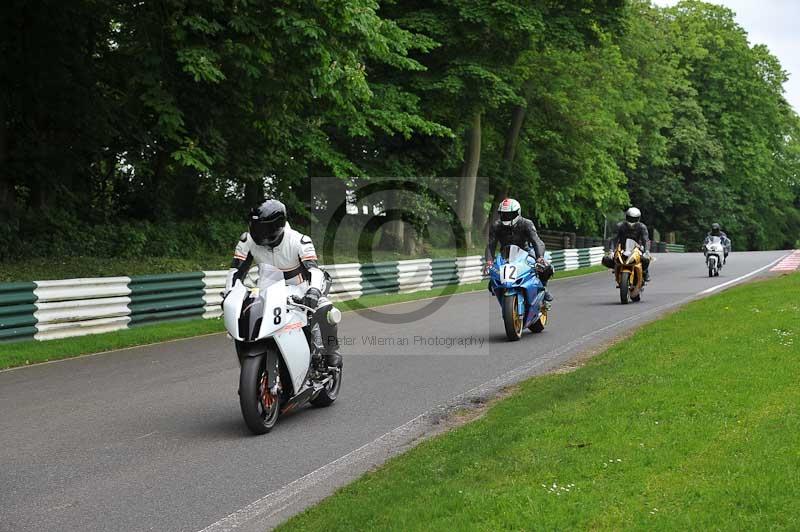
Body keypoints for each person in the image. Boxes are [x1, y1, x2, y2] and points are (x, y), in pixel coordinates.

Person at [224, 199, 342, 368]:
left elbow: (313, 270)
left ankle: (332, 351)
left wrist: (313, 292)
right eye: (255, 227)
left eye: (263, 228)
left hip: (301, 289)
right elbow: (236, 271)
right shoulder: (247, 241)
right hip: (267, 289)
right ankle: (251, 370)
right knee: (246, 318)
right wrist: (229, 293)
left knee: (326, 309)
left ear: (278, 225)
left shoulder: (300, 241)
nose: (258, 232)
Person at [484, 198, 554, 305]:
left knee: (546, 267)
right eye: (503, 214)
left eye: (510, 214)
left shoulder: (526, 224)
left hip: (525, 252)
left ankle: (543, 288)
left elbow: (537, 241)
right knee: (492, 283)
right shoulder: (496, 226)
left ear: (517, 213)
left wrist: (540, 257)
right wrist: (489, 261)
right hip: (505, 254)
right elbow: (491, 245)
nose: (506, 217)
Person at [604, 207, 651, 283]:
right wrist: (611, 251)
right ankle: (616, 267)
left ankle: (645, 272)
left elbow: (646, 240)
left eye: (634, 219)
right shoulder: (620, 226)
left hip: (637, 248)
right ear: (626, 217)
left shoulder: (642, 227)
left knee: (646, 259)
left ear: (638, 218)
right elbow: (614, 239)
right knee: (606, 259)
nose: (632, 220)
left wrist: (647, 251)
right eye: (630, 218)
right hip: (623, 248)